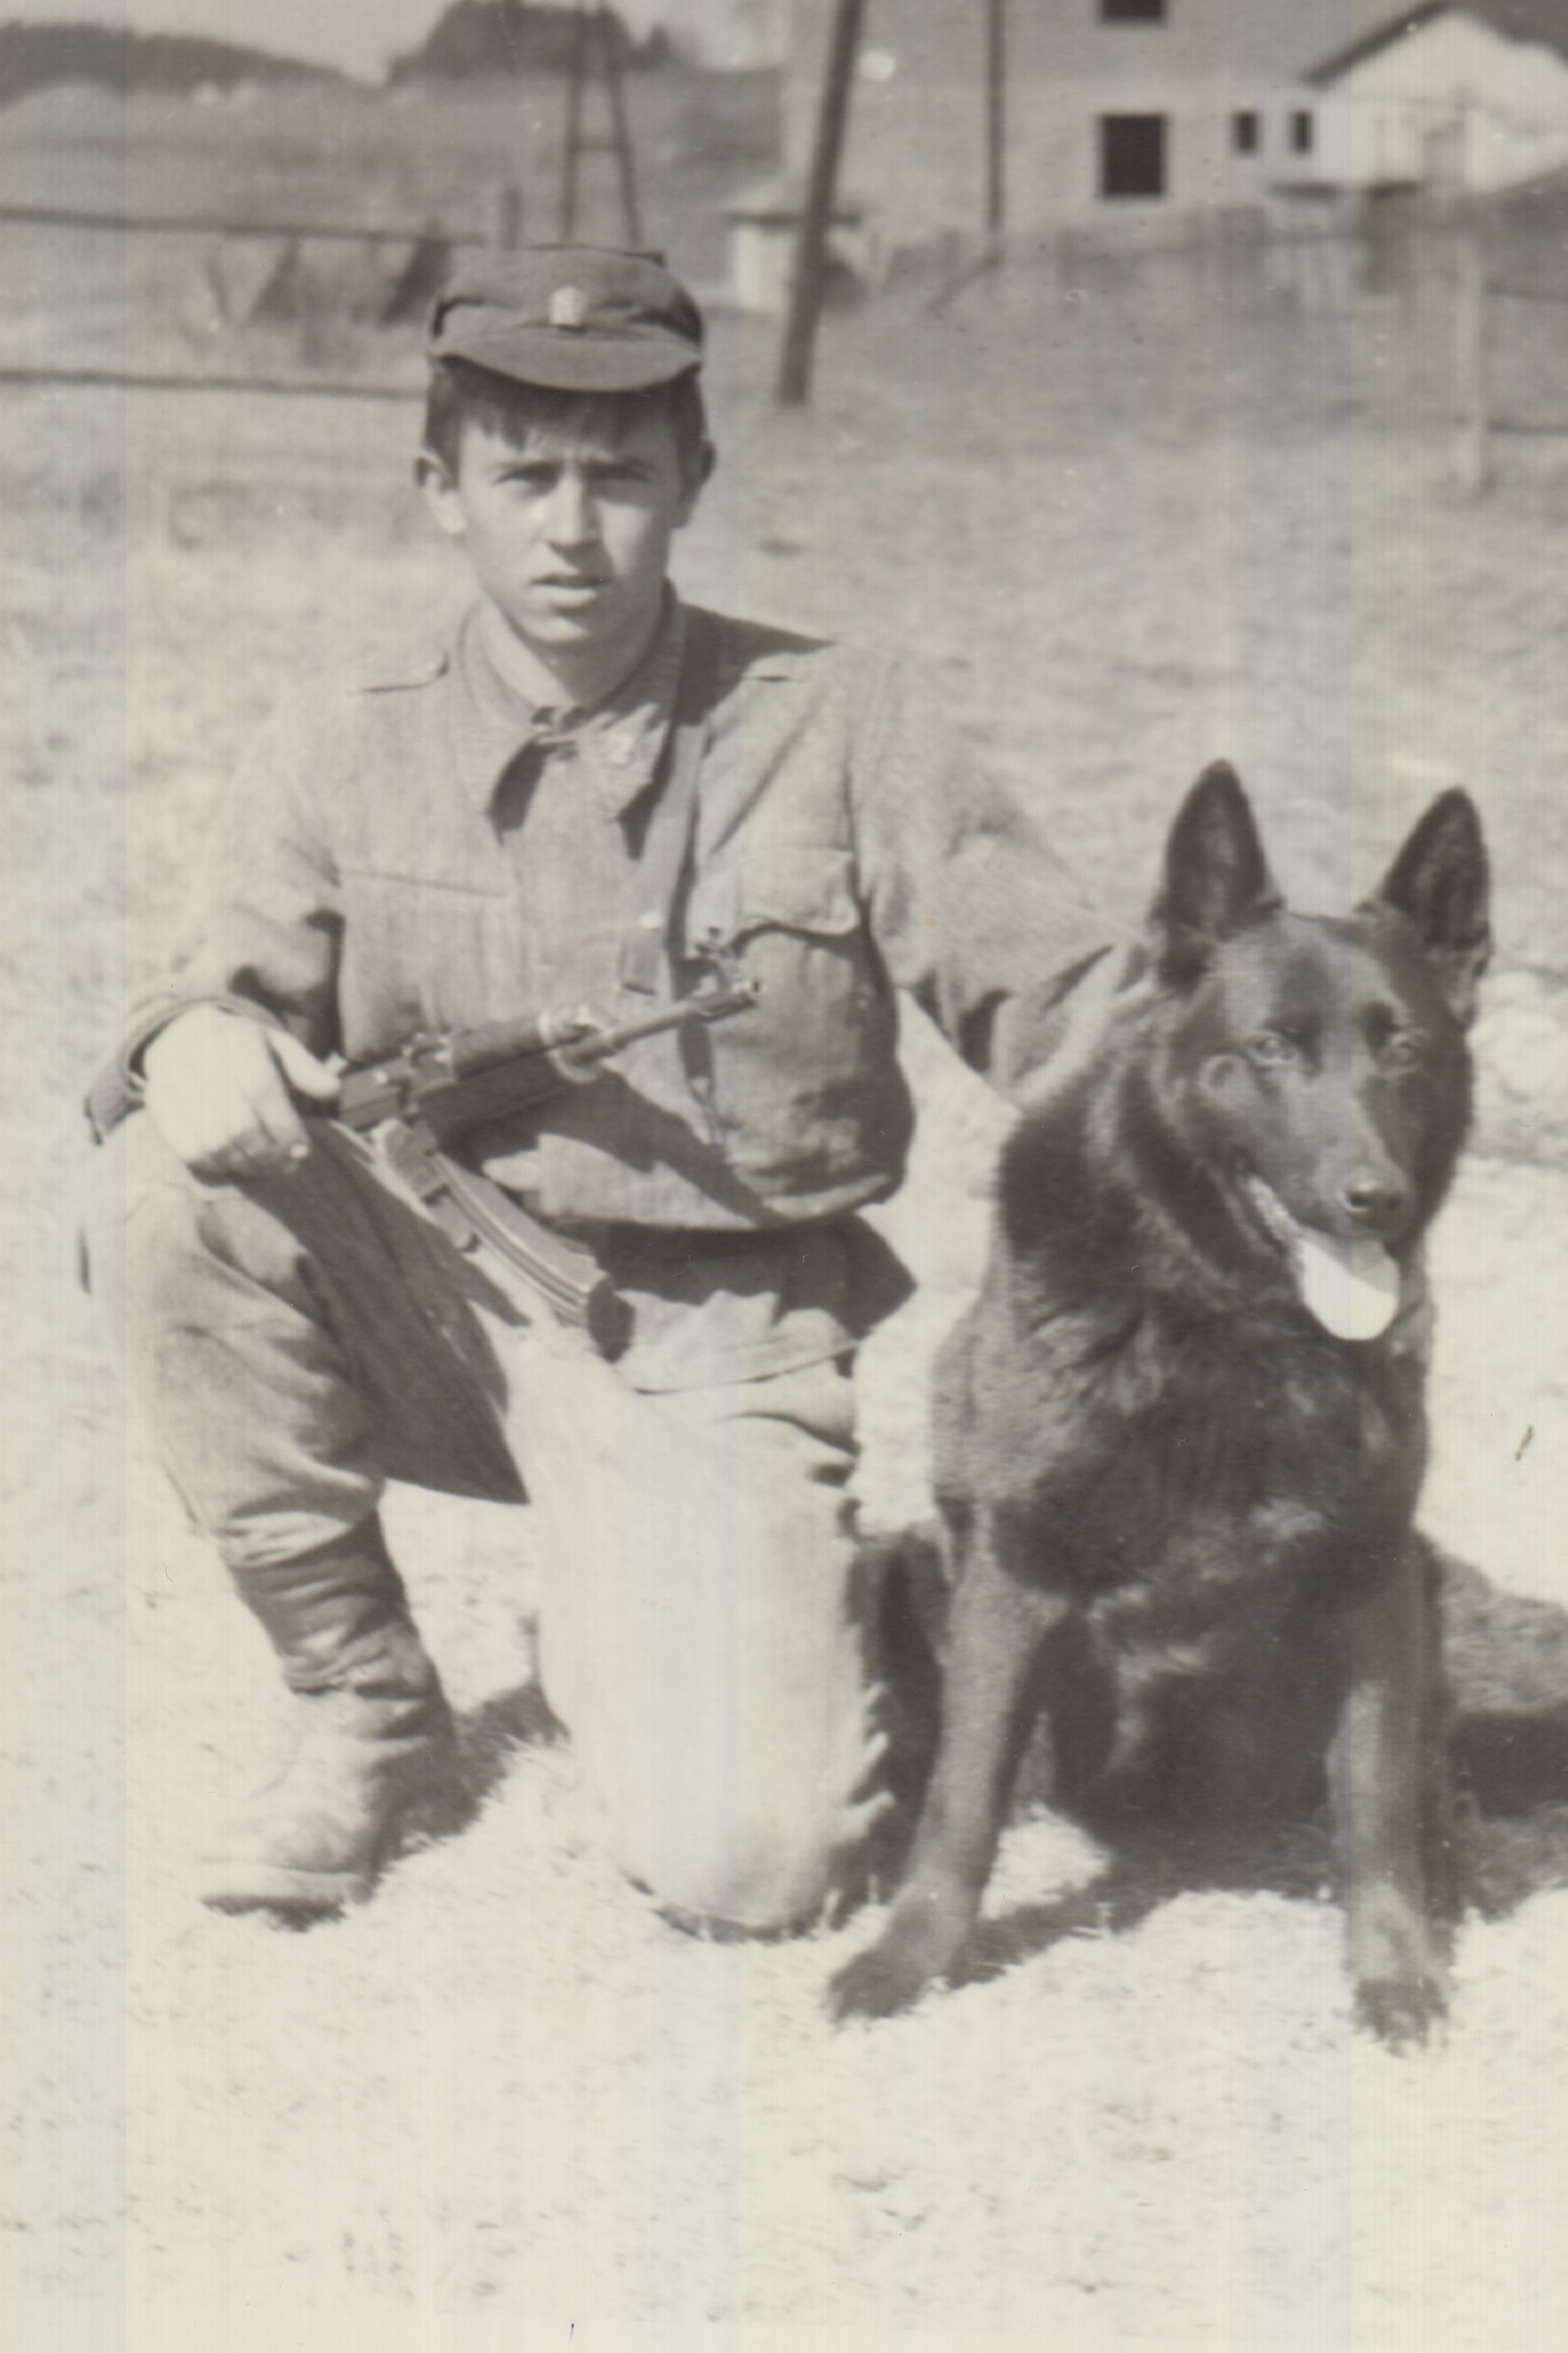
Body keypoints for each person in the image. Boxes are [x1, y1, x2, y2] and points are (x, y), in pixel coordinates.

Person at [83, 245, 1127, 1938]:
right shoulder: (339, 739)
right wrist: (189, 1037)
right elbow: (217, 998)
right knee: (164, 1190)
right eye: (524, 476)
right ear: (441, 491)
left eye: (619, 476)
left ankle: (826, 1605)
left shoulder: (841, 724)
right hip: (437, 1293)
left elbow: (1074, 1012)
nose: (571, 529)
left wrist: (1263, 1129)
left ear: (692, 480)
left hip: (715, 1342)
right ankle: (361, 1704)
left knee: (753, 1864)